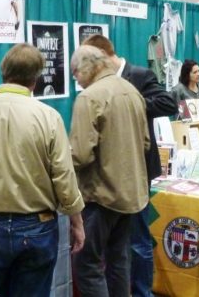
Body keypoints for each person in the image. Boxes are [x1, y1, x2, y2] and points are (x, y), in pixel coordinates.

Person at [0, 43, 85, 297]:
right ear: (36, 78)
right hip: (38, 226)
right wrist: (77, 222)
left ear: (3, 71)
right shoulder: (48, 117)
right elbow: (65, 180)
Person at [82, 34, 176, 297]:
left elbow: (168, 103)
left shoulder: (140, 75)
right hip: (107, 178)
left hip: (137, 172)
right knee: (116, 247)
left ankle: (142, 292)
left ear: (102, 56)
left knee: (138, 241)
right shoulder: (96, 86)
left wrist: (129, 103)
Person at [69, 45, 150, 297]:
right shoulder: (132, 91)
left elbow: (80, 154)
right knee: (119, 261)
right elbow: (146, 143)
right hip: (130, 195)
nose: (76, 81)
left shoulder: (89, 97)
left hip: (99, 196)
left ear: (88, 67)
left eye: (76, 74)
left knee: (87, 265)